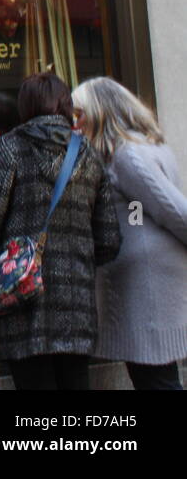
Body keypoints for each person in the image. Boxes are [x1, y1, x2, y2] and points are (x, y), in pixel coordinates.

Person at [0, 72, 122, 389]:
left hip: (22, 307)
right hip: (76, 310)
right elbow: (109, 240)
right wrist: (77, 261)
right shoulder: (88, 153)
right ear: (65, 105)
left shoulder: (11, 147)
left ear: (26, 106)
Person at [73, 77, 187, 389]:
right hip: (149, 277)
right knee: (157, 375)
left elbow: (170, 208)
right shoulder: (147, 145)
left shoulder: (128, 155)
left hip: (147, 282)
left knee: (155, 379)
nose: (76, 123)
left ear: (101, 112)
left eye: (80, 114)